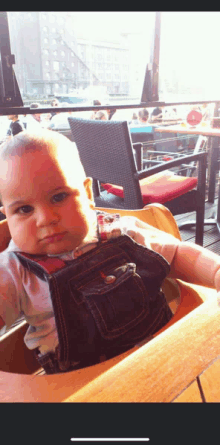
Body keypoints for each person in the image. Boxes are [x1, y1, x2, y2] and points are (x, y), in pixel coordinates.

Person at [0, 130, 219, 374]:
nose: (45, 219)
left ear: (88, 194)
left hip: (163, 358)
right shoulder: (13, 269)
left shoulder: (120, 232)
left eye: (58, 197)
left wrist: (216, 271)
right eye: (24, 209)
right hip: (80, 388)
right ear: (7, 216)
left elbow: (177, 254)